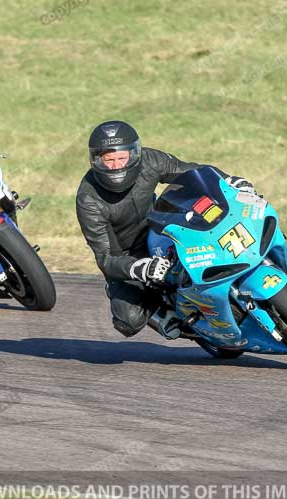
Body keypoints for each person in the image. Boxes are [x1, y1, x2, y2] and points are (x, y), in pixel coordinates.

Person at [76, 120, 255, 339]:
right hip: (128, 255)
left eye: (121, 158)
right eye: (109, 160)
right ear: (96, 160)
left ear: (134, 155)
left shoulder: (150, 160)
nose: (116, 166)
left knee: (212, 219)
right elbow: (105, 258)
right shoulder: (88, 199)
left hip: (162, 227)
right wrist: (137, 268)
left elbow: (194, 172)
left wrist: (229, 181)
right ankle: (164, 312)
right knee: (128, 321)